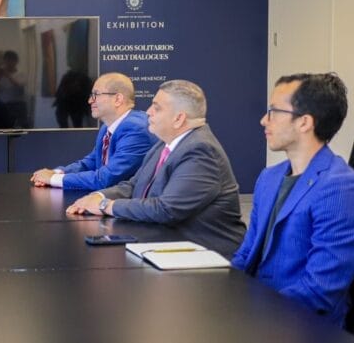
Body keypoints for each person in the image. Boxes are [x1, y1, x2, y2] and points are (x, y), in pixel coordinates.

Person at [231, 73, 354, 325]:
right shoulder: (269, 178)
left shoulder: (340, 189)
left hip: (300, 324)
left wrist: (249, 311)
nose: (264, 120)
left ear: (305, 122)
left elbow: (319, 290)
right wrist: (222, 293)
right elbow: (247, 253)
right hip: (256, 311)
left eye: (273, 112)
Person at [66, 80, 246, 257]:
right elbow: (133, 185)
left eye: (156, 108)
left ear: (179, 119)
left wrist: (105, 205)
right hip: (165, 243)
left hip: (205, 255)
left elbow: (166, 209)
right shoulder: (164, 143)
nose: (148, 112)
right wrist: (98, 196)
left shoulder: (201, 151)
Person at [31, 73, 155, 190]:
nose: (90, 101)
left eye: (96, 94)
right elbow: (91, 162)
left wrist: (52, 179)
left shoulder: (136, 130)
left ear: (118, 99)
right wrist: (56, 172)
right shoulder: (107, 127)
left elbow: (105, 179)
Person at [0, 50, 28, 127]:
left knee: (20, 127)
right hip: (3, 105)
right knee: (3, 126)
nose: (7, 63)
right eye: (6, 61)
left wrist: (8, 75)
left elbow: (19, 87)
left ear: (16, 61)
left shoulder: (21, 74)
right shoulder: (0, 74)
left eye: (10, 61)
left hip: (17, 105)